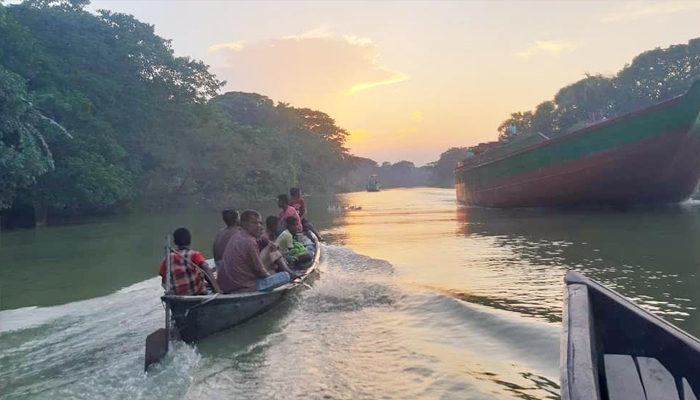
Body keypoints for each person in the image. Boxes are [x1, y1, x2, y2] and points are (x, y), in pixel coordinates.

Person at [218, 210, 299, 293]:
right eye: (255, 223)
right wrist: (270, 276)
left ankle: (282, 270)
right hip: (244, 287)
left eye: (260, 223)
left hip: (226, 286)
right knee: (285, 276)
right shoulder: (250, 241)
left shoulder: (236, 236)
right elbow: (260, 270)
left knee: (271, 258)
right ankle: (288, 272)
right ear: (244, 224)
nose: (259, 226)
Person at [159, 227, 220, 295]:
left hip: (177, 293)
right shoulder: (194, 254)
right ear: (190, 240)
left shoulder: (167, 258)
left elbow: (163, 279)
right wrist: (216, 288)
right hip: (196, 292)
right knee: (202, 270)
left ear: (175, 242)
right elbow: (205, 268)